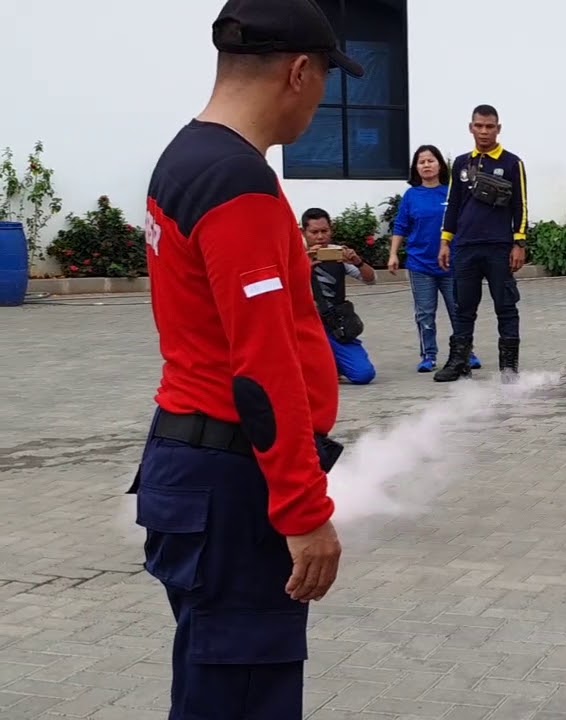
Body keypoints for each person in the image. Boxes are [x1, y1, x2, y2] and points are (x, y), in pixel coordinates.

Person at [131, 0, 356, 716]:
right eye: (324, 81)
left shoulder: (185, 157)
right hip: (234, 489)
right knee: (242, 698)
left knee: (212, 690)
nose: (320, 103)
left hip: (192, 470)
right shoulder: (239, 185)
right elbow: (262, 368)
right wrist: (302, 512)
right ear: (298, 73)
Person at [434, 104, 528, 383]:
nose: (484, 131)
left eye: (490, 126)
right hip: (465, 247)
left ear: (498, 129)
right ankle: (459, 361)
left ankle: (509, 367)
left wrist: (519, 242)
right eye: (479, 126)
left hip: (499, 246)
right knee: (463, 306)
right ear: (471, 127)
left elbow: (520, 205)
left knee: (506, 306)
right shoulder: (462, 163)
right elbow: (453, 205)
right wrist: (445, 241)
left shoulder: (512, 163)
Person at [388, 145, 481, 373]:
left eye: (431, 161)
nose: (426, 165)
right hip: (420, 265)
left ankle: (465, 352)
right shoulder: (411, 196)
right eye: (422, 162)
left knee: (459, 310)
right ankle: (428, 355)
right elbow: (401, 226)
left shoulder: (453, 192)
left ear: (440, 164)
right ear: (416, 168)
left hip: (452, 264)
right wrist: (393, 254)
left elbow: (466, 223)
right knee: (425, 313)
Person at [300, 208, 377, 385]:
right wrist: (304, 266)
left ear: (331, 230)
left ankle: (336, 364)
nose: (320, 237)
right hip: (306, 324)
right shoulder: (294, 255)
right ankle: (325, 365)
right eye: (314, 232)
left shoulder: (338, 253)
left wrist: (358, 261)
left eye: (324, 231)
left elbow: (371, 279)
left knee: (363, 374)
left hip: (335, 323)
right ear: (303, 232)